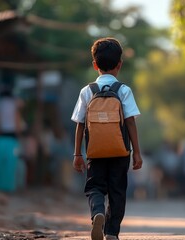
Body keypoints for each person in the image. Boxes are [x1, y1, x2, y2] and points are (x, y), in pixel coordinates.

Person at [71, 37, 143, 240]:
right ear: (119, 64)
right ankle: (111, 233)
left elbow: (80, 124)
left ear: (95, 65)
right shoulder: (124, 90)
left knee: (95, 187)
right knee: (117, 191)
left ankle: (97, 213)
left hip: (95, 151)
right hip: (120, 151)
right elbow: (130, 122)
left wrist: (78, 154)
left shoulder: (87, 91)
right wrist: (136, 152)